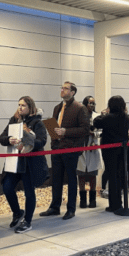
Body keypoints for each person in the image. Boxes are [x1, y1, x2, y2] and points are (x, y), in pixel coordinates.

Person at [0, 96, 49, 233]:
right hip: (14, 162)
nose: (20, 108)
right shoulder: (14, 120)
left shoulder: (37, 123)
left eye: (23, 105)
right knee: (7, 187)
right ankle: (17, 212)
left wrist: (27, 139)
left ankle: (28, 221)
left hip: (29, 163)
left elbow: (41, 141)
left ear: (30, 107)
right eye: (19, 105)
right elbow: (1, 138)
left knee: (29, 192)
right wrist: (10, 139)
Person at [39, 82, 89, 220]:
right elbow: (55, 126)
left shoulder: (80, 108)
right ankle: (55, 207)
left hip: (71, 149)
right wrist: (53, 138)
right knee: (56, 179)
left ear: (72, 92)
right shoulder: (57, 107)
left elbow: (85, 129)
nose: (62, 90)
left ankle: (71, 209)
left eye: (65, 88)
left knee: (71, 179)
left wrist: (66, 131)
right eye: (61, 88)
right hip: (57, 148)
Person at [93, 96, 129, 214]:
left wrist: (103, 113)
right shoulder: (125, 117)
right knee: (119, 175)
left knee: (112, 175)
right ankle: (119, 202)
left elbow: (96, 122)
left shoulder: (109, 117)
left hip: (109, 150)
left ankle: (114, 204)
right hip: (122, 149)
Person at [76, 96, 102, 209]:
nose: (92, 105)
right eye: (90, 103)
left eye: (93, 103)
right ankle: (82, 199)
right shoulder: (79, 116)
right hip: (82, 148)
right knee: (81, 174)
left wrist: (93, 133)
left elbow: (101, 132)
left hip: (93, 148)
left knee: (92, 174)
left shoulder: (98, 117)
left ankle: (92, 199)